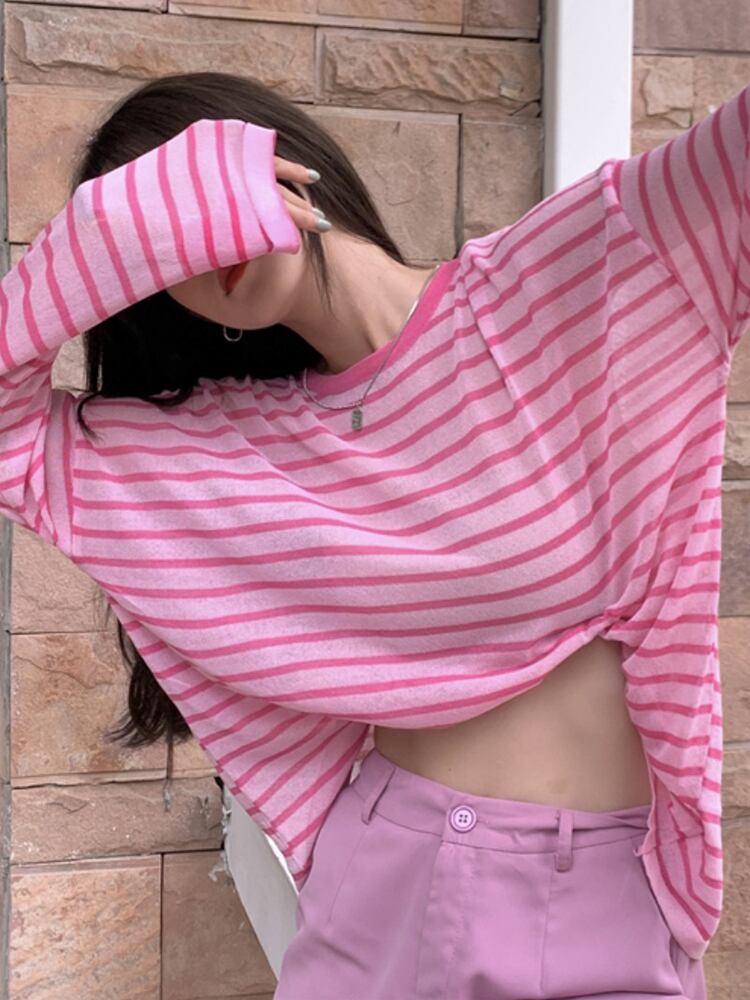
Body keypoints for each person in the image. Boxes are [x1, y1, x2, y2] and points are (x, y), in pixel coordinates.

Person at [2, 67, 746, 998]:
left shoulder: (571, 273)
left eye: (203, 188)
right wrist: (97, 235)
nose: (197, 247)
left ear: (279, 157)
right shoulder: (223, 446)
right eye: (159, 240)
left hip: (606, 911)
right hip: (380, 906)